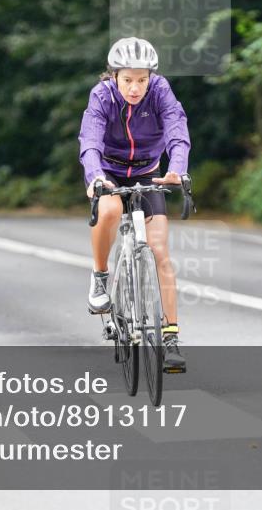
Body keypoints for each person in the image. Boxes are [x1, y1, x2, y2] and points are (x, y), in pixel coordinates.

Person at [78, 37, 191, 373]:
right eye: (127, 79)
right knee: (111, 210)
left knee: (159, 251)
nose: (135, 88)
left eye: (142, 79)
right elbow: (90, 140)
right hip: (109, 171)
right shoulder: (102, 96)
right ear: (114, 75)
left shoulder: (160, 91)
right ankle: (100, 275)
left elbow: (177, 129)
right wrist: (95, 177)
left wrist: (177, 169)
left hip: (147, 172)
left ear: (150, 77)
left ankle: (170, 339)